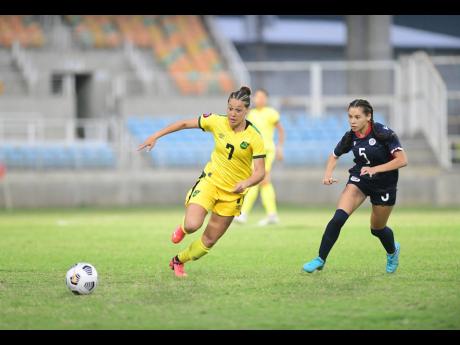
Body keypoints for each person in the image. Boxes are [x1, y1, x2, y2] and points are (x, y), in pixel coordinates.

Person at [138, 86, 266, 277]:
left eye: (238, 110)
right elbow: (183, 124)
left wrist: (246, 183)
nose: (232, 114)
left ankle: (178, 260)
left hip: (232, 194)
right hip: (210, 182)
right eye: (230, 108)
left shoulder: (254, 137)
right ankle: (182, 228)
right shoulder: (216, 121)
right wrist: (155, 136)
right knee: (192, 225)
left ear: (246, 111)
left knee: (209, 240)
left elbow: (260, 172)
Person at [302, 99, 408, 274]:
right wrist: (327, 175)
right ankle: (320, 259)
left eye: (357, 117)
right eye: (350, 116)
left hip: (384, 184)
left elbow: (402, 160)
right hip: (360, 179)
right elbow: (334, 156)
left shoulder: (383, 133)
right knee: (338, 218)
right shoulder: (350, 136)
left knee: (377, 229)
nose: (352, 121)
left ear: (369, 117)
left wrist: (375, 169)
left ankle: (392, 251)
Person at [233, 88, 285, 226]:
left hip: (267, 151)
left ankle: (244, 214)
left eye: (262, 97)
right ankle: (271, 214)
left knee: (256, 180)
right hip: (254, 152)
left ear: (266, 99)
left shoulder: (271, 113)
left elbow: (280, 130)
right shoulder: (251, 114)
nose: (259, 99)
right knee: (263, 182)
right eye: (257, 97)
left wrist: (280, 147)